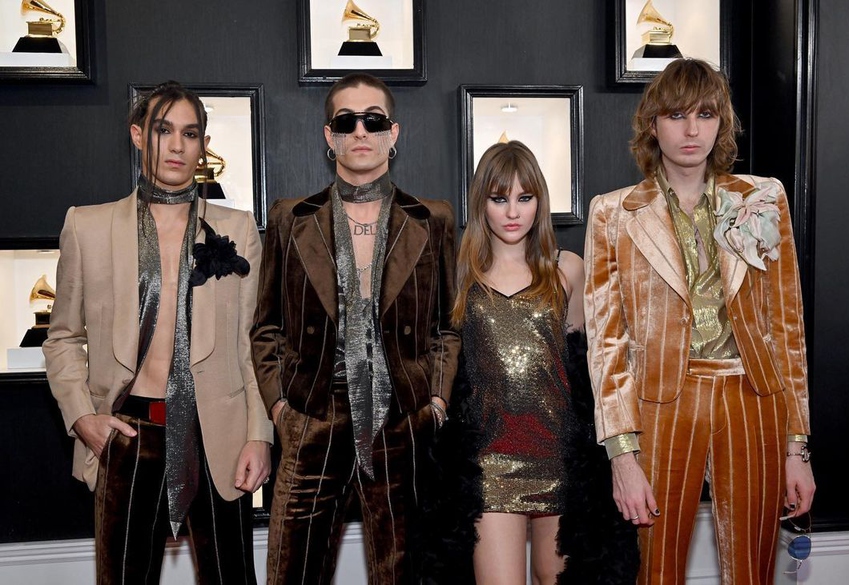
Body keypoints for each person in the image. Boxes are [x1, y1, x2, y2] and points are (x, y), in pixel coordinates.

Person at [584, 58, 816, 584]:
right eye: (676, 115)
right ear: (652, 124)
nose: (691, 130)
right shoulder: (612, 213)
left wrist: (797, 447)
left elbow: (787, 328)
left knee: (753, 571)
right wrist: (622, 455)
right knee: (656, 570)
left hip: (753, 398)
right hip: (661, 405)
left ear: (721, 122)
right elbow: (607, 344)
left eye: (705, 114)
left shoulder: (763, 198)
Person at [43, 81, 272, 584]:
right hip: (126, 435)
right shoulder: (87, 227)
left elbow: (252, 346)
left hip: (218, 437)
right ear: (137, 135)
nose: (176, 145)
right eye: (163, 130)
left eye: (189, 134)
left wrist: (259, 434)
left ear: (203, 145)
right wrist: (82, 417)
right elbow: (62, 338)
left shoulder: (238, 228)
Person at [251, 72, 460, 584]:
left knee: (404, 573)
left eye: (374, 120)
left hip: (402, 420)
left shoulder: (432, 219)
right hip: (312, 417)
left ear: (393, 132)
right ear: (330, 136)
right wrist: (281, 410)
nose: (361, 131)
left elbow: (448, 327)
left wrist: (435, 403)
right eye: (347, 122)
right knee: (291, 572)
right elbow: (266, 327)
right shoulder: (290, 219)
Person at [450, 140, 639, 584]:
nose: (513, 211)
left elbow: (590, 368)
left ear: (540, 201)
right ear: (481, 204)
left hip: (561, 459)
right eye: (499, 199)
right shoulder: (462, 276)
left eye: (525, 197)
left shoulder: (567, 269)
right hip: (491, 464)